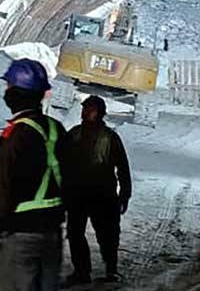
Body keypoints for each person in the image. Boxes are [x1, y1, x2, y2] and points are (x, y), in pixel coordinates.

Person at [0, 59, 66, 291]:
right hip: (51, 232)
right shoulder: (55, 128)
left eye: (9, 87)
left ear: (18, 93)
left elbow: (5, 183)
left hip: (20, 233)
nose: (6, 92)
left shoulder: (16, 133)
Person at [62, 95, 131, 286]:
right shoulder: (74, 134)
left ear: (99, 113)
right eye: (85, 108)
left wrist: (125, 193)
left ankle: (111, 269)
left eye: (90, 109)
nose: (85, 112)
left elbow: (123, 167)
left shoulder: (110, 138)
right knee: (75, 234)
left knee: (107, 234)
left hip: (103, 195)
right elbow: (61, 162)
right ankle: (82, 271)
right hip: (77, 194)